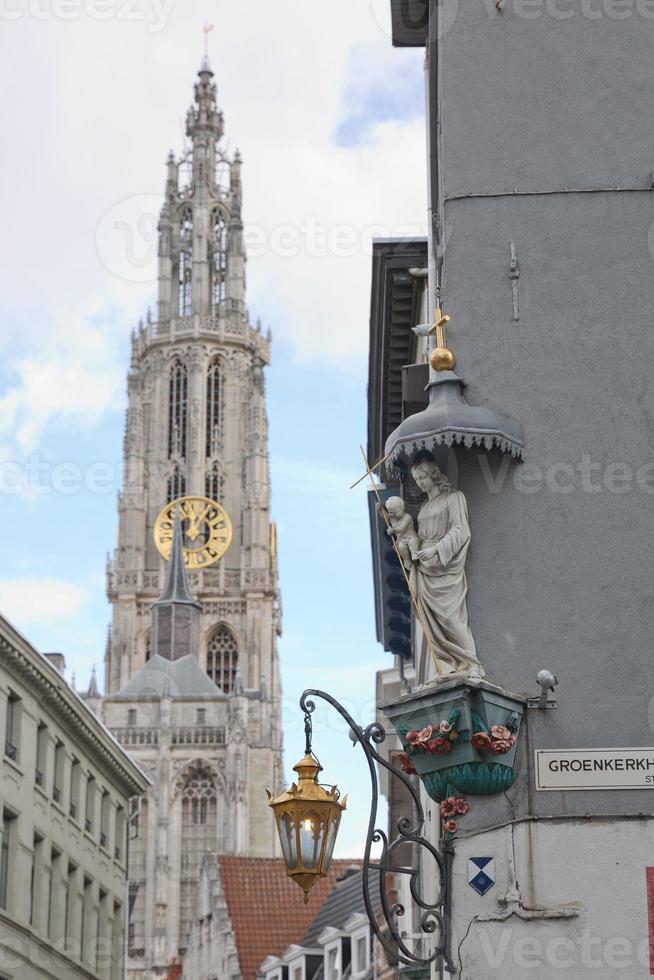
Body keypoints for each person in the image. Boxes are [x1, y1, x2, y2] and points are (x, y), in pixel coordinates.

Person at [410, 458, 484, 678]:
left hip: (445, 564)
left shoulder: (454, 498)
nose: (420, 483)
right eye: (416, 479)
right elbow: (421, 538)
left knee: (452, 618)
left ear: (433, 474)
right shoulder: (423, 508)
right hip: (425, 568)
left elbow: (460, 530)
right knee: (433, 624)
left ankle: (472, 664)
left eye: (422, 477)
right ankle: (456, 664)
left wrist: (436, 550)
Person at [384, 496, 420, 570]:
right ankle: (407, 560)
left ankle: (415, 554)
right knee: (401, 548)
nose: (390, 514)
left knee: (413, 543)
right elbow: (386, 517)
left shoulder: (407, 517)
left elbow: (402, 529)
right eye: (389, 512)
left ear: (398, 510)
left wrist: (393, 530)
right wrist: (380, 510)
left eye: (392, 512)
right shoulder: (393, 519)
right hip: (401, 540)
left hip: (411, 537)